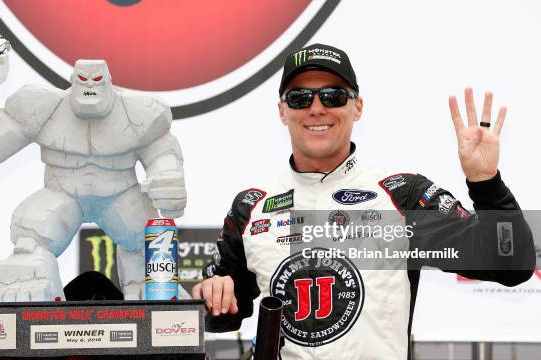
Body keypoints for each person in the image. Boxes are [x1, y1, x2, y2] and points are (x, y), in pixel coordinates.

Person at [192, 43, 536, 359]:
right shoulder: (251, 206)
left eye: (333, 96)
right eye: (300, 98)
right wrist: (210, 294)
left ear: (357, 107)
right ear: (282, 111)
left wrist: (486, 183)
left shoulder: (403, 194)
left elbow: (511, 267)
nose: (316, 109)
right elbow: (220, 316)